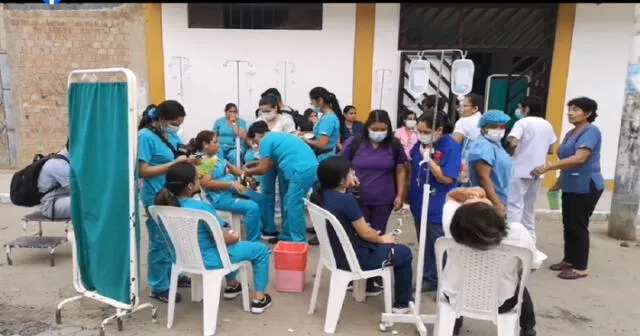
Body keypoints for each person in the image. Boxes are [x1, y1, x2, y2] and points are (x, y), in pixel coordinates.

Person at [155, 162, 272, 313]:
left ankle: (233, 285)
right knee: (260, 250)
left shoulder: (163, 207)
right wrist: (235, 236)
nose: (200, 181)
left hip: (182, 258)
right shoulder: (202, 208)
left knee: (224, 247)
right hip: (211, 259)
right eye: (197, 178)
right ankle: (259, 299)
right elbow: (224, 239)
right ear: (190, 186)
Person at [310, 156, 413, 312]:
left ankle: (373, 288)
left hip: (333, 253)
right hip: (354, 258)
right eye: (351, 172)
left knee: (376, 236)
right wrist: (381, 239)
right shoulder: (346, 201)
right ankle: (402, 304)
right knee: (404, 253)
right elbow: (366, 233)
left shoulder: (319, 195)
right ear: (341, 180)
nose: (354, 174)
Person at [441, 187, 543, 336]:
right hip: (503, 303)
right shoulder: (517, 233)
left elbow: (450, 196)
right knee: (520, 286)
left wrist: (465, 193)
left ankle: (453, 326)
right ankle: (528, 329)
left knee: (457, 276)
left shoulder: (452, 228)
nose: (479, 196)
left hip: (456, 298)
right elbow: (531, 265)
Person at [531, 97, 603, 280]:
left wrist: (548, 168)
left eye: (576, 109)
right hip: (571, 184)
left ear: (587, 114)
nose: (570, 112)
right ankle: (569, 260)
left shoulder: (590, 132)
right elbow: (567, 161)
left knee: (578, 225)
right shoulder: (571, 133)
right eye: (570, 108)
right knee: (568, 224)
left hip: (586, 185)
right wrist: (559, 182)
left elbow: (579, 158)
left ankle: (580, 267)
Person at [138, 101, 200, 302]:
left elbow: (177, 154)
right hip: (156, 195)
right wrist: (174, 164)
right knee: (160, 241)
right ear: (162, 119)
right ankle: (159, 285)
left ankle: (176, 273)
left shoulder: (169, 134)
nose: (177, 127)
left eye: (179, 123)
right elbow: (143, 171)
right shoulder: (145, 137)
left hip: (173, 193)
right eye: (174, 123)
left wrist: (189, 160)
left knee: (174, 237)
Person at [408, 111, 461, 293]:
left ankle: (443, 283)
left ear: (438, 130)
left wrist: (429, 160)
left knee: (439, 245)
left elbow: (446, 178)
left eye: (426, 131)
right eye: (419, 130)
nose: (421, 134)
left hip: (438, 204)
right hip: (418, 201)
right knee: (424, 244)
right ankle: (427, 278)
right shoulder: (420, 144)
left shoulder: (450, 147)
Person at [243, 121, 318, 243]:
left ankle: (298, 241)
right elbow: (272, 162)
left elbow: (263, 169)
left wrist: (245, 173)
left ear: (256, 135)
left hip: (301, 170)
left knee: (293, 205)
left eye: (254, 141)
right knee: (289, 202)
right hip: (307, 167)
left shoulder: (265, 141)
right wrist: (254, 164)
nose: (255, 145)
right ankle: (287, 235)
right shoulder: (275, 136)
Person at [189, 130, 264, 242]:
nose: (219, 144)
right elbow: (207, 184)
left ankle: (257, 228)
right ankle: (254, 242)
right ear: (205, 145)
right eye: (215, 142)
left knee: (260, 198)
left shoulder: (215, 156)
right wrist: (232, 184)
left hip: (231, 190)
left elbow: (230, 168)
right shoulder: (203, 161)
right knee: (252, 207)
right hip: (218, 198)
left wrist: (246, 177)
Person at [340, 109, 407, 234]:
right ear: (367, 127)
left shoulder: (394, 144)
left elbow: (400, 170)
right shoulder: (355, 142)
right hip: (357, 199)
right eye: (375, 129)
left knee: (378, 234)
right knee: (358, 234)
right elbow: (341, 163)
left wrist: (400, 195)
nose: (379, 133)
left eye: (383, 130)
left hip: (384, 201)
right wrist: (349, 175)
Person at [506, 97, 557, 242]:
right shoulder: (547, 124)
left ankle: (513, 242)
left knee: (514, 207)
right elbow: (551, 149)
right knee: (529, 210)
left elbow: (514, 143)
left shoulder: (522, 122)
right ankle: (530, 244)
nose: (518, 110)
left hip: (519, 169)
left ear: (526, 109)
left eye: (520, 107)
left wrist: (509, 154)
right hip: (538, 171)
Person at [467, 109, 512, 217]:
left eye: (502, 127)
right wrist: (497, 204)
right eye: (494, 126)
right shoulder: (483, 146)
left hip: (500, 198)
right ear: (483, 127)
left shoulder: (496, 144)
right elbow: (484, 178)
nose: (499, 129)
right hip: (488, 203)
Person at [304, 87, 345, 162]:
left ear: (320, 100)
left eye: (312, 102)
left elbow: (321, 144)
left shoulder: (328, 119)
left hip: (323, 159)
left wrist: (305, 140)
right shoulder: (325, 116)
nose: (312, 105)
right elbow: (321, 134)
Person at [452, 93, 484, 186]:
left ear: (475, 108)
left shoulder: (463, 121)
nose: (459, 109)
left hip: (467, 165)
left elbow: (454, 143)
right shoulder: (483, 120)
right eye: (459, 106)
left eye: (463, 106)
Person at [38, 140, 71, 220]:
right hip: (51, 205)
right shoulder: (59, 164)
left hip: (61, 198)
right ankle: (74, 231)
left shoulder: (63, 157)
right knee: (90, 202)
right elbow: (76, 190)